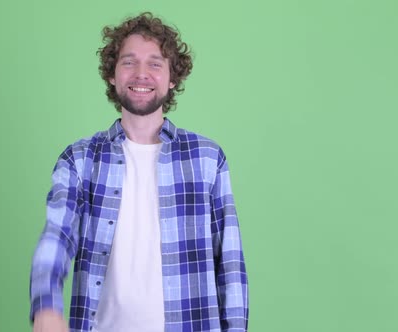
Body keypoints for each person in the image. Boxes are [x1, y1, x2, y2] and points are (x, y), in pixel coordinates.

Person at [30, 12, 248, 332]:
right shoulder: (79, 159)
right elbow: (57, 235)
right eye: (129, 62)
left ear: (172, 78)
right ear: (112, 75)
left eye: (155, 64)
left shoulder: (207, 158)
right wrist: (46, 304)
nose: (141, 74)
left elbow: (229, 260)